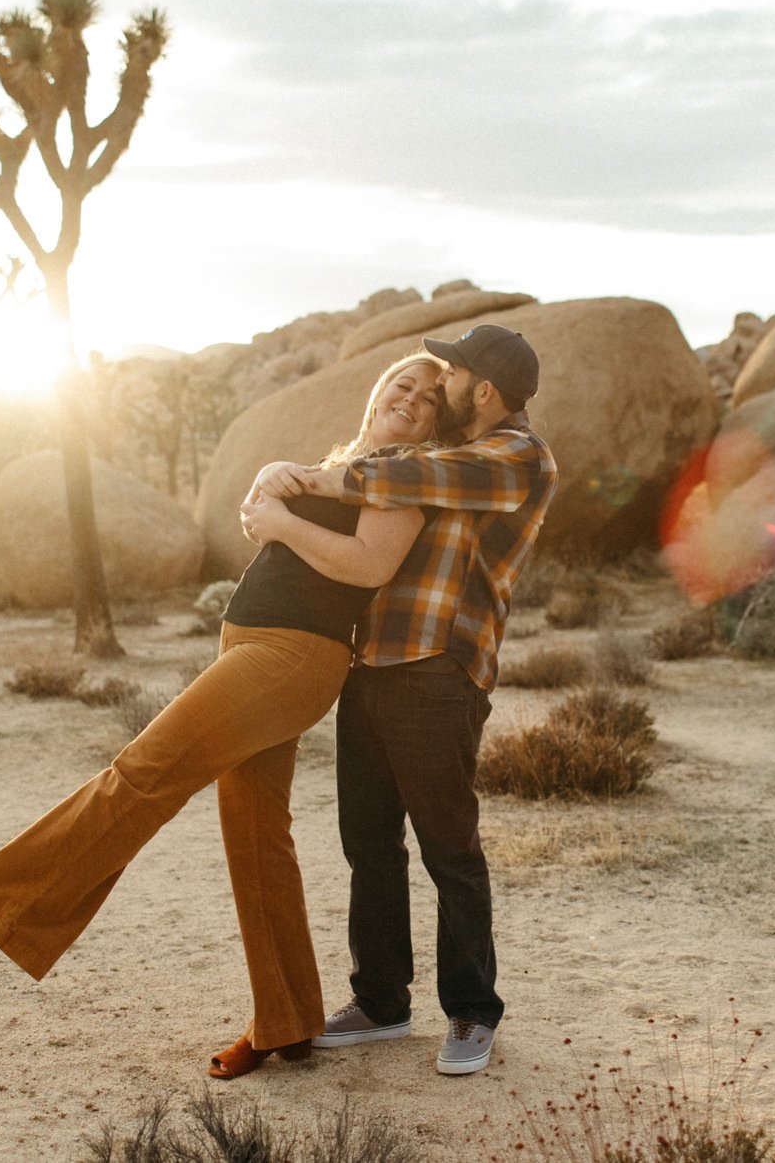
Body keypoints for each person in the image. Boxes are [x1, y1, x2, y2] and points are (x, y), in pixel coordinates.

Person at [0, 353, 447, 1080]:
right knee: (255, 833)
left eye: (431, 398)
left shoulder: (402, 477)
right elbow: (256, 523)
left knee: (143, 773)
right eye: (404, 382)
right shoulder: (336, 465)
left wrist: (279, 517)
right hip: (252, 642)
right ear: (377, 390)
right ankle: (288, 1021)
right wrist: (271, 490)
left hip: (295, 657)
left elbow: (369, 564)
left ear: (435, 423)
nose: (412, 398)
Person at [247, 323, 557, 1078]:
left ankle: (472, 1010)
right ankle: (382, 1000)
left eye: (449, 373)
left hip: (439, 671)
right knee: (370, 844)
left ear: (481, 390)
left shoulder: (517, 457)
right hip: (374, 664)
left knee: (449, 847)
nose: (440, 383)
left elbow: (414, 479)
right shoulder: (441, 452)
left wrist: (302, 477)